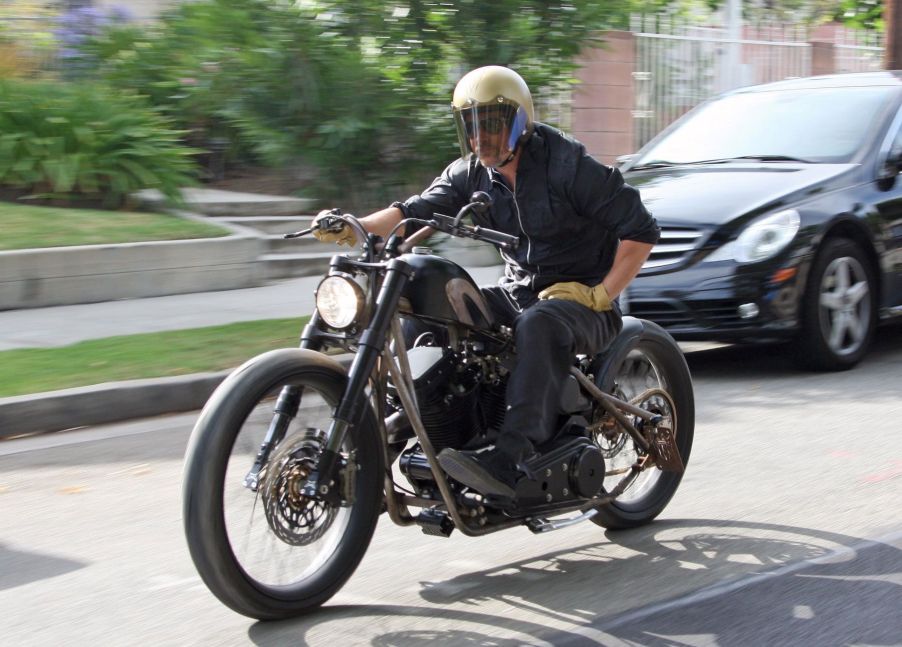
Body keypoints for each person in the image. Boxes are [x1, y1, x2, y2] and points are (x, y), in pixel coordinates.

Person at [312, 65, 659, 500]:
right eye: (472, 126)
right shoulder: (471, 172)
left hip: (584, 305)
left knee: (540, 323)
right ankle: (406, 433)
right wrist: (354, 227)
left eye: (492, 126)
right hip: (518, 292)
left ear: (520, 122)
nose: (481, 138)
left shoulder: (569, 167)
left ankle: (511, 456)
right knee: (431, 313)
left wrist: (600, 293)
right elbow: (411, 211)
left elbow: (641, 229)